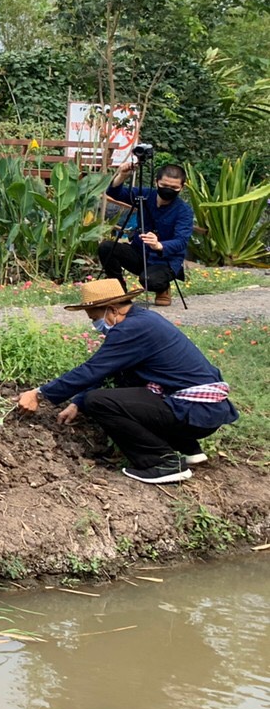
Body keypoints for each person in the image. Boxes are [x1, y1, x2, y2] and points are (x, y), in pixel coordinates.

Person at [17, 278, 237, 484]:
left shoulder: (132, 328)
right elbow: (110, 371)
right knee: (124, 393)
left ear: (112, 310)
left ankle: (162, 463)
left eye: (94, 318)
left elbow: (93, 369)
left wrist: (39, 393)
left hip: (194, 410)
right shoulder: (143, 321)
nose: (95, 325)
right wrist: (77, 402)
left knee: (99, 401)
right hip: (204, 411)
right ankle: (189, 449)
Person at [98, 154, 192, 306]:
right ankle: (119, 291)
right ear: (156, 182)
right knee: (106, 247)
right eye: (164, 185)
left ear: (182, 187)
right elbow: (115, 193)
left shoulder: (184, 210)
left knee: (150, 281)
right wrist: (122, 175)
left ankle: (163, 287)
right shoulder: (145, 195)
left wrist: (159, 245)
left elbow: (181, 241)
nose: (168, 190)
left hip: (164, 261)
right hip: (139, 253)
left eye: (174, 188)